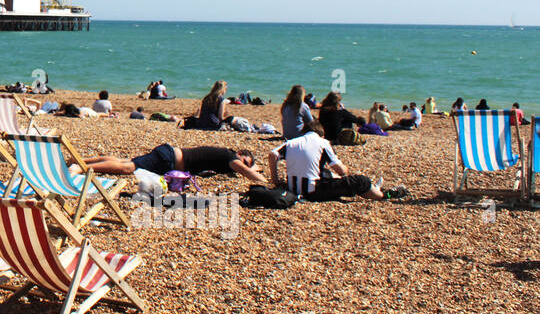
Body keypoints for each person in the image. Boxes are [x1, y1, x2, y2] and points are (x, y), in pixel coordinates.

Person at [267, 121, 405, 200]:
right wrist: (345, 169)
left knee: (326, 173)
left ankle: (374, 190)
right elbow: (341, 170)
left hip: (293, 188)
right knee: (361, 181)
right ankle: (383, 195)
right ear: (321, 133)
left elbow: (273, 155)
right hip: (314, 192)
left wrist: (276, 179)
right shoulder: (323, 143)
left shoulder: (292, 143)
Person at [87, 143, 268, 186]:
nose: (243, 164)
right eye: (245, 160)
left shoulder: (225, 157)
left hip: (168, 155)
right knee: (128, 168)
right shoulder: (230, 157)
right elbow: (245, 171)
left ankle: (83, 161)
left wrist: (254, 168)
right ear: (239, 154)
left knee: (126, 162)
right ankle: (84, 167)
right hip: (169, 159)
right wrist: (266, 182)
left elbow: (248, 169)